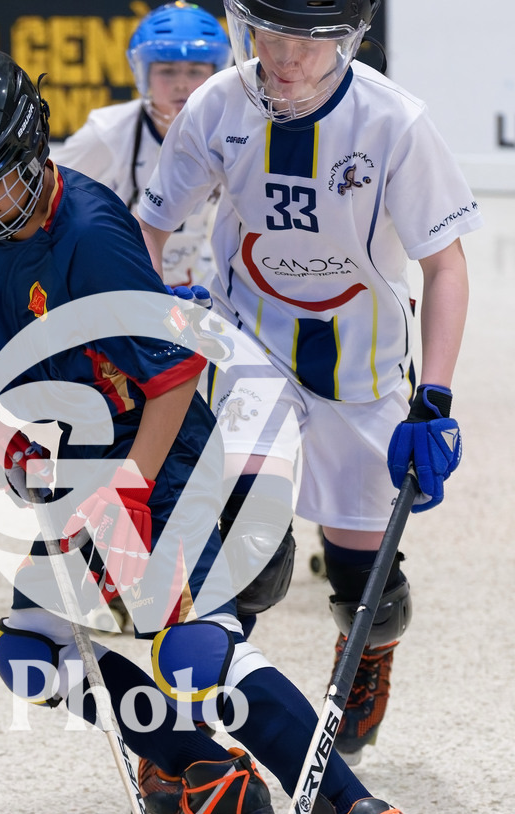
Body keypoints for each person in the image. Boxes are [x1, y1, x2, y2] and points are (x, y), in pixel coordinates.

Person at [0, 49, 465, 814]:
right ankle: (191, 762)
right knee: (29, 657)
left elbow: (169, 382)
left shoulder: (91, 233)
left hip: (163, 463)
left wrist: (126, 481)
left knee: (194, 651)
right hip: (74, 469)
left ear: (32, 153)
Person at [137, 0, 482, 766]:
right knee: (245, 550)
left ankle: (365, 661)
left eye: (310, 45)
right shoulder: (217, 105)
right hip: (251, 349)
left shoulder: (395, 122)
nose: (286, 60)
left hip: (363, 367)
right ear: (243, 28)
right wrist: (148, 311)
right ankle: (207, 720)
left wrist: (439, 398)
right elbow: (151, 227)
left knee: (368, 583)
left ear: (351, 43)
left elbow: (445, 263)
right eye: (271, 36)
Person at [55, 1, 231, 288]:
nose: (181, 84)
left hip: (185, 289)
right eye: (167, 70)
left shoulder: (229, 137)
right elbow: (43, 197)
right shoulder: (107, 133)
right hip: (105, 288)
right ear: (144, 73)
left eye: (196, 70)